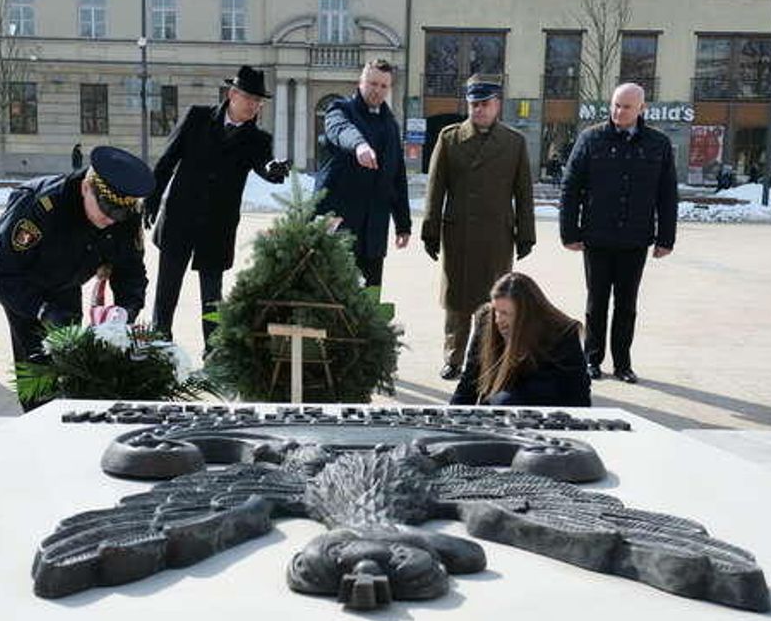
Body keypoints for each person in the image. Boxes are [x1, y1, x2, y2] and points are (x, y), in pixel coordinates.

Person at [0, 146, 153, 410]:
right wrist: (41, 310)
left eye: (118, 214)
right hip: (25, 281)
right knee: (38, 368)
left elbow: (131, 271)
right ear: (86, 187)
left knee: (73, 361)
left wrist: (126, 311)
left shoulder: (124, 216)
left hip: (68, 280)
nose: (110, 219)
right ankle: (38, 427)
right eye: (106, 209)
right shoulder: (42, 206)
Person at [143, 64, 290, 346]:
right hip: (179, 217)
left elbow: (263, 164)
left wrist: (273, 169)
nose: (254, 106)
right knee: (167, 290)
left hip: (217, 225)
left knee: (212, 297)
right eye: (249, 98)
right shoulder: (197, 117)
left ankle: (214, 354)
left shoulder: (258, 139)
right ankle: (159, 345)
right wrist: (152, 196)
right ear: (232, 94)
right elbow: (167, 160)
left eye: (258, 101)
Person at [559, 82, 677, 385]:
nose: (618, 112)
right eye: (614, 105)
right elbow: (571, 188)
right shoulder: (591, 138)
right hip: (597, 237)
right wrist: (568, 232)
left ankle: (623, 363)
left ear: (641, 109)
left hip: (635, 239)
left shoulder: (658, 144)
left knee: (627, 304)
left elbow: (667, 194)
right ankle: (592, 359)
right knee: (596, 301)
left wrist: (666, 238)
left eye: (625, 107)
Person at [421, 74, 535, 380]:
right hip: (459, 232)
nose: (479, 110)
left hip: (496, 235)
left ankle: (489, 358)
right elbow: (435, 189)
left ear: (497, 104)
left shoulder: (514, 143)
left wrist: (526, 235)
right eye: (474, 104)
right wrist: (430, 230)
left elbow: (524, 193)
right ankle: (453, 358)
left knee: (494, 299)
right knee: (456, 301)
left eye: (485, 104)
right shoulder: (449, 138)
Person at [314, 58, 411, 290]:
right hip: (339, 225)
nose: (377, 90)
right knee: (334, 298)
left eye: (383, 86)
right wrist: (359, 145)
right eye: (372, 83)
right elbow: (340, 130)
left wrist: (403, 224)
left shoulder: (391, 125)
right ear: (361, 81)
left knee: (370, 301)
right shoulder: (339, 109)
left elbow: (397, 177)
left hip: (374, 231)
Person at [451, 273, 590, 407]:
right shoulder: (486, 321)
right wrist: (450, 419)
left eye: (505, 313)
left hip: (543, 411)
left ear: (527, 314)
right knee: (503, 401)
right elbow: (469, 383)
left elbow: (578, 393)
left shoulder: (563, 333)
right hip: (496, 411)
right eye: (496, 311)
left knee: (506, 400)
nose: (498, 320)